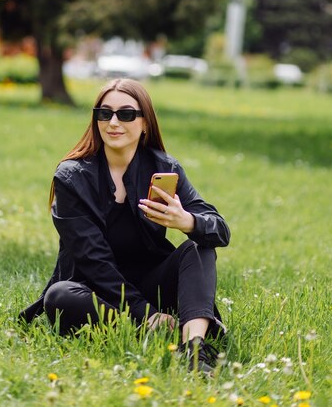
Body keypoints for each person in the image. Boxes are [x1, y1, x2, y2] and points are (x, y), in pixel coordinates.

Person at [19, 78, 230, 373]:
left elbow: (220, 230)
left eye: (126, 114)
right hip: (95, 292)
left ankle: (194, 348)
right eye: (104, 114)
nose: (113, 122)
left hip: (152, 284)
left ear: (145, 123)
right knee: (59, 297)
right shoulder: (71, 178)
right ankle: (153, 327)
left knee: (199, 246)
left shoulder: (164, 168)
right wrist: (146, 313)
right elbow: (93, 261)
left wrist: (187, 221)